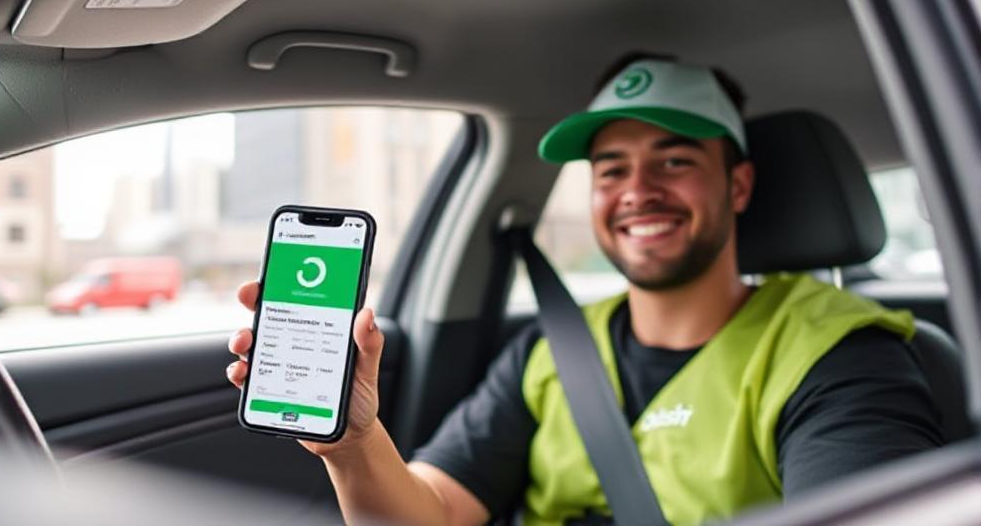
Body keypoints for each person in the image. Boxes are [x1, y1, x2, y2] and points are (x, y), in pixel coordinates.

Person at [225, 57, 945, 525]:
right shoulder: (550, 350)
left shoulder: (839, 352)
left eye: (674, 160)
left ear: (738, 185)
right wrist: (353, 444)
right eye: (611, 169)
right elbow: (434, 513)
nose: (638, 191)